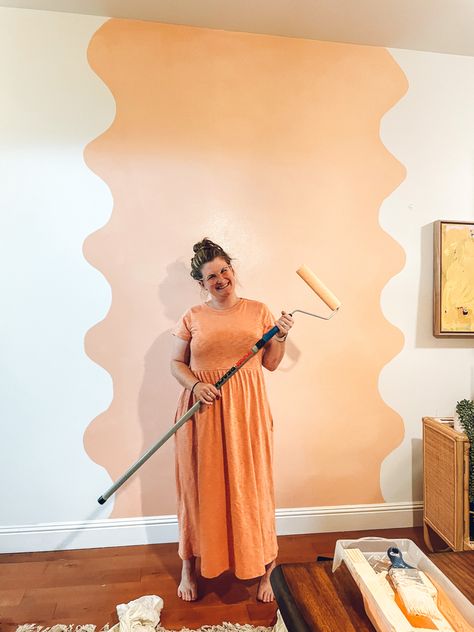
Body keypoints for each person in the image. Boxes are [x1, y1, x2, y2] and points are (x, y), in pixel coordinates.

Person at [170, 238, 294, 603]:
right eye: (211, 276)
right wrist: (195, 386)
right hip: (203, 412)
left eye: (224, 270)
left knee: (251, 486)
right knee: (199, 489)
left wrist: (282, 336)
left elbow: (270, 363)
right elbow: (175, 363)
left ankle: (266, 567)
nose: (220, 279)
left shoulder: (259, 311)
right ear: (202, 283)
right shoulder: (192, 316)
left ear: (233, 271)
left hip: (247, 413)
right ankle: (189, 566)